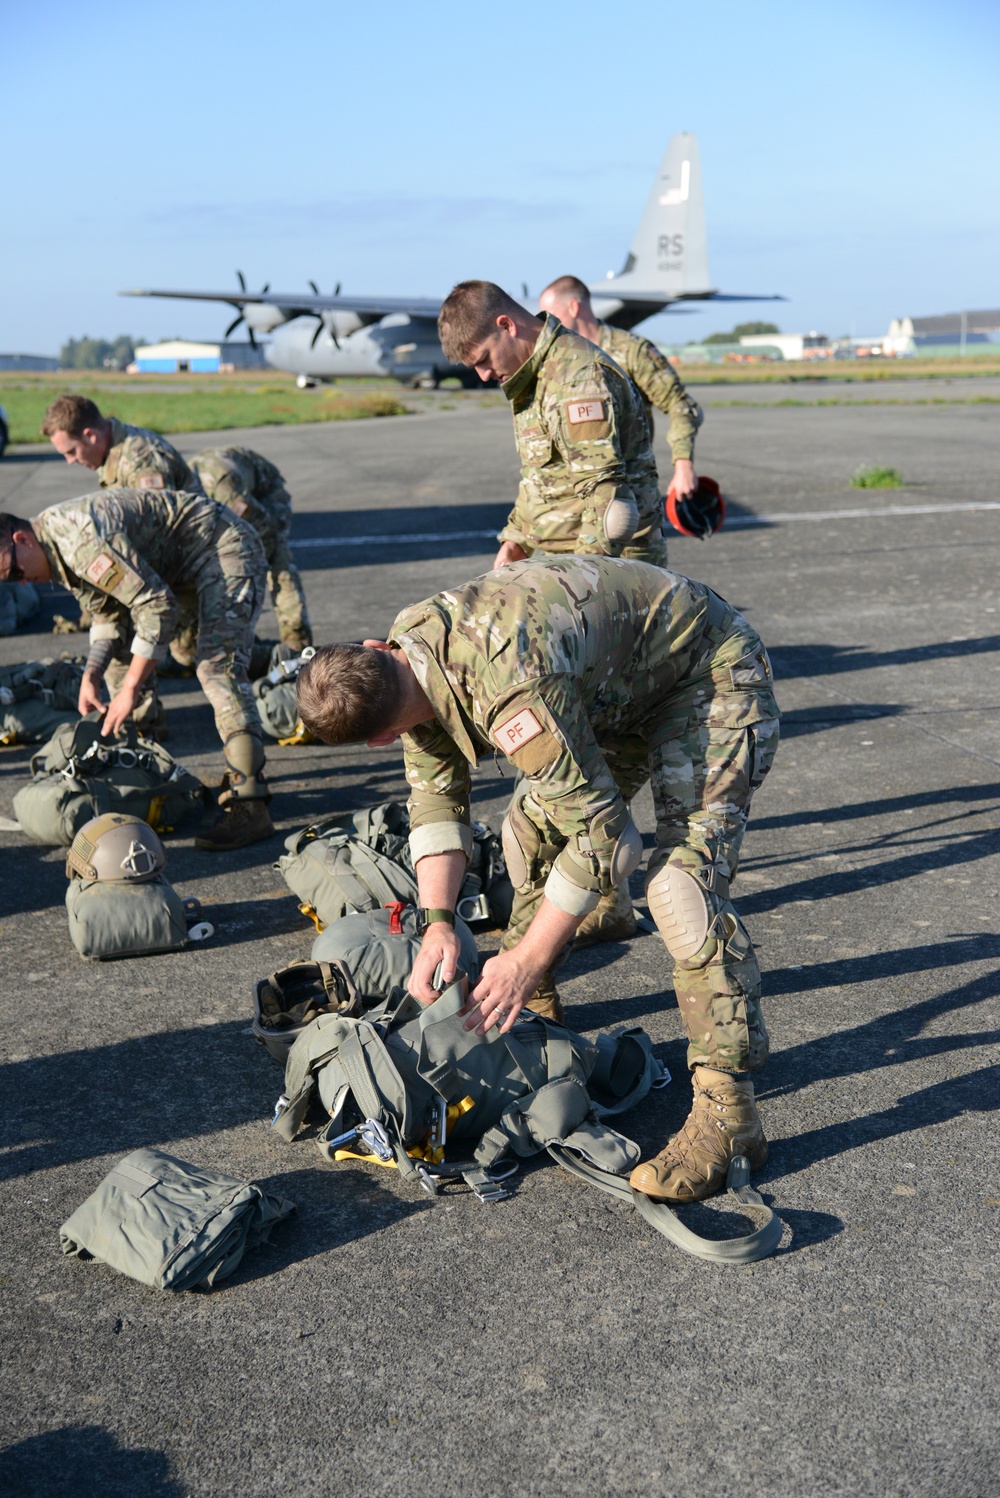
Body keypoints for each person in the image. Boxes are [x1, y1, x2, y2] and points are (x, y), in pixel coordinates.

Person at [294, 555, 780, 1203]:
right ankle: (534, 1019)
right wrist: (439, 924)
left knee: (680, 891)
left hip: (706, 674)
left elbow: (608, 839)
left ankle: (730, 1118)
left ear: (377, 737)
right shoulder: (405, 656)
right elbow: (437, 803)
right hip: (615, 686)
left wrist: (523, 957)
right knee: (529, 835)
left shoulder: (506, 688)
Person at [0, 491, 275, 851]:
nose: (21, 582)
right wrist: (92, 675)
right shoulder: (52, 547)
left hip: (223, 548)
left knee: (216, 665)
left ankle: (250, 802)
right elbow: (108, 613)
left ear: (22, 540)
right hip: (176, 567)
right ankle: (138, 776)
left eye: (15, 571)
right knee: (159, 655)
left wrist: (131, 688)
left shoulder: (80, 541)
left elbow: (157, 607)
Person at [437, 281, 666, 568]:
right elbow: (540, 475)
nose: (482, 375)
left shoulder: (578, 379)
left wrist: (580, 581)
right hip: (561, 557)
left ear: (507, 325)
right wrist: (516, 540)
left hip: (609, 563)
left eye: (483, 359)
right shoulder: (531, 373)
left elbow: (610, 506)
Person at [538, 275, 703, 512]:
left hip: (629, 492)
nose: (547, 324)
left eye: (551, 314)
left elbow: (680, 405)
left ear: (574, 307)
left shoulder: (631, 351)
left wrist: (683, 464)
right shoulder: (555, 360)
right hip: (573, 495)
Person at [188, 447, 312, 654]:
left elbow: (257, 522)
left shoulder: (224, 488)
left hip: (266, 494)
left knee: (277, 562)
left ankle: (297, 641)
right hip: (233, 482)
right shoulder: (182, 486)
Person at [42, 394, 202, 493]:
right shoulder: (111, 449)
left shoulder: (141, 460)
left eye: (72, 452)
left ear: (90, 436)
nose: (70, 461)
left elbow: (160, 530)